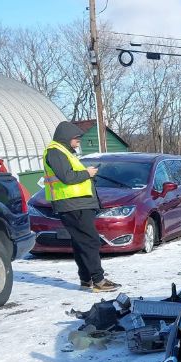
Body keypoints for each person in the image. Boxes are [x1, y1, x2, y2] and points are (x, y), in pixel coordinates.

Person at [43, 121, 121, 292]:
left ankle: (87, 279)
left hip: (76, 203)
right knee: (90, 241)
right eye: (76, 138)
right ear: (66, 137)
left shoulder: (63, 152)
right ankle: (99, 280)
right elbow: (67, 177)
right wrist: (87, 173)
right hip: (73, 204)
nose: (79, 141)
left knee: (81, 242)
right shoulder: (55, 152)